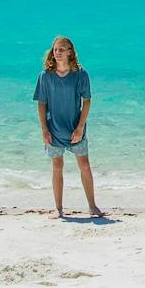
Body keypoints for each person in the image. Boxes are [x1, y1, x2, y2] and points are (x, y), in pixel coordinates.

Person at [34, 36, 103, 219]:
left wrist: (80, 127)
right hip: (54, 130)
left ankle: (92, 206)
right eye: (56, 49)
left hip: (75, 130)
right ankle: (58, 208)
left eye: (62, 49)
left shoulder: (80, 74)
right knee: (57, 167)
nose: (58, 52)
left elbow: (87, 101)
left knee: (85, 166)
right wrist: (44, 129)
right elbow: (41, 103)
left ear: (70, 52)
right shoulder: (45, 76)